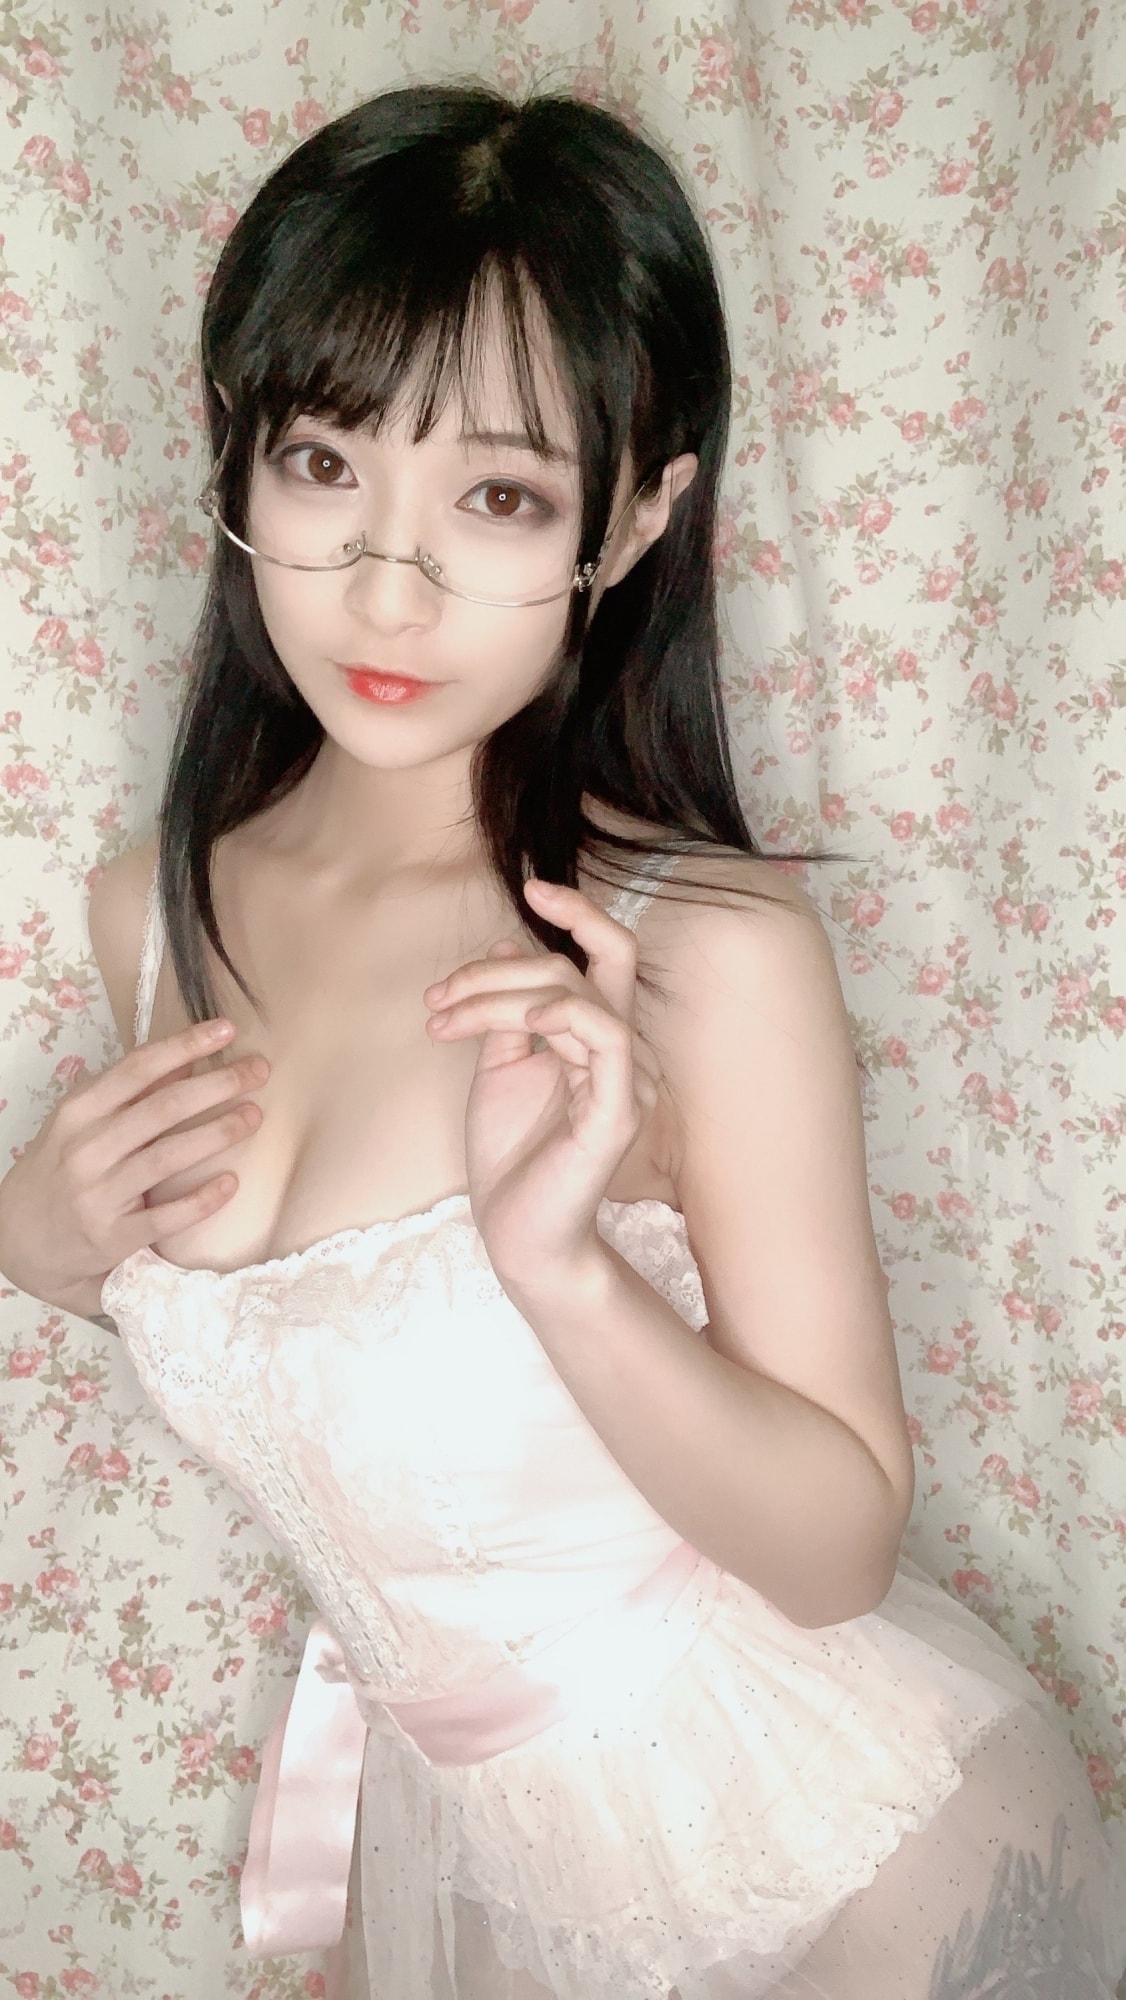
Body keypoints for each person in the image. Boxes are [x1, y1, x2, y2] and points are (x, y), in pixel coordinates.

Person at [1, 78, 1124, 2000]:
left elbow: (836, 1554)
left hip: (840, 1867)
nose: (387, 585)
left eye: (499, 497)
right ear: (234, 450)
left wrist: (564, 1277)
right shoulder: (152, 916)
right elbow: (289, 1351)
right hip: (459, 1873)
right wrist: (36, 1243)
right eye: (325, 462)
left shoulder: (692, 951)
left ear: (638, 513)